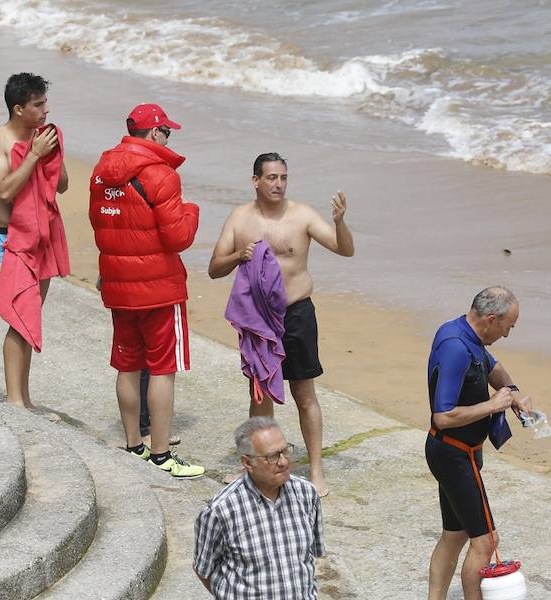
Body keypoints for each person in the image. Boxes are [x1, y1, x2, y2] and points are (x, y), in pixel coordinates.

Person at [208, 153, 354, 497]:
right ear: (255, 180)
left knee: (305, 395)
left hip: (297, 314)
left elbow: (343, 249)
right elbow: (214, 267)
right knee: (259, 396)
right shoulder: (240, 218)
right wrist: (238, 255)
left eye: (283, 177)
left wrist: (340, 221)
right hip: (258, 319)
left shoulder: (301, 215)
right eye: (271, 177)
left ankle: (316, 470)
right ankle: (258, 468)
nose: (278, 184)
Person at [89, 103, 203, 478]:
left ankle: (133, 443)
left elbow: (97, 223)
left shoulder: (101, 172)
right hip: (158, 288)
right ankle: (161, 454)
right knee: (162, 368)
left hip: (118, 284)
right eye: (166, 131)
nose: (168, 137)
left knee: (127, 363)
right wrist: (192, 211)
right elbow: (179, 237)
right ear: (154, 133)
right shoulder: (161, 175)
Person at [425, 286, 534, 600]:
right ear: (490, 319)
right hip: (454, 454)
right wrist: (493, 405)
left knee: (455, 534)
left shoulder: (468, 335)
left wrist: (512, 393)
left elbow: (493, 368)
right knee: (486, 541)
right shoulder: (455, 346)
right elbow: (442, 417)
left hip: (457, 452)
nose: (508, 334)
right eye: (508, 327)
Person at [0, 72, 68, 413]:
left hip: (40, 239)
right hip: (6, 240)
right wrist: (32, 155)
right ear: (19, 109)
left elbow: (61, 186)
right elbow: (4, 190)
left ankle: (24, 399)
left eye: (45, 103)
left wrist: (52, 154)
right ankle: (14, 400)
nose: (45, 110)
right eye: (38, 104)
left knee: (29, 320)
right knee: (20, 315)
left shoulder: (44, 137)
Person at [193, 417, 325, 599]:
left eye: (285, 451)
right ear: (247, 463)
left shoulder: (306, 494)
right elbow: (203, 569)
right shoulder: (221, 511)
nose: (284, 462)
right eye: (272, 456)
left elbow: (312, 555)